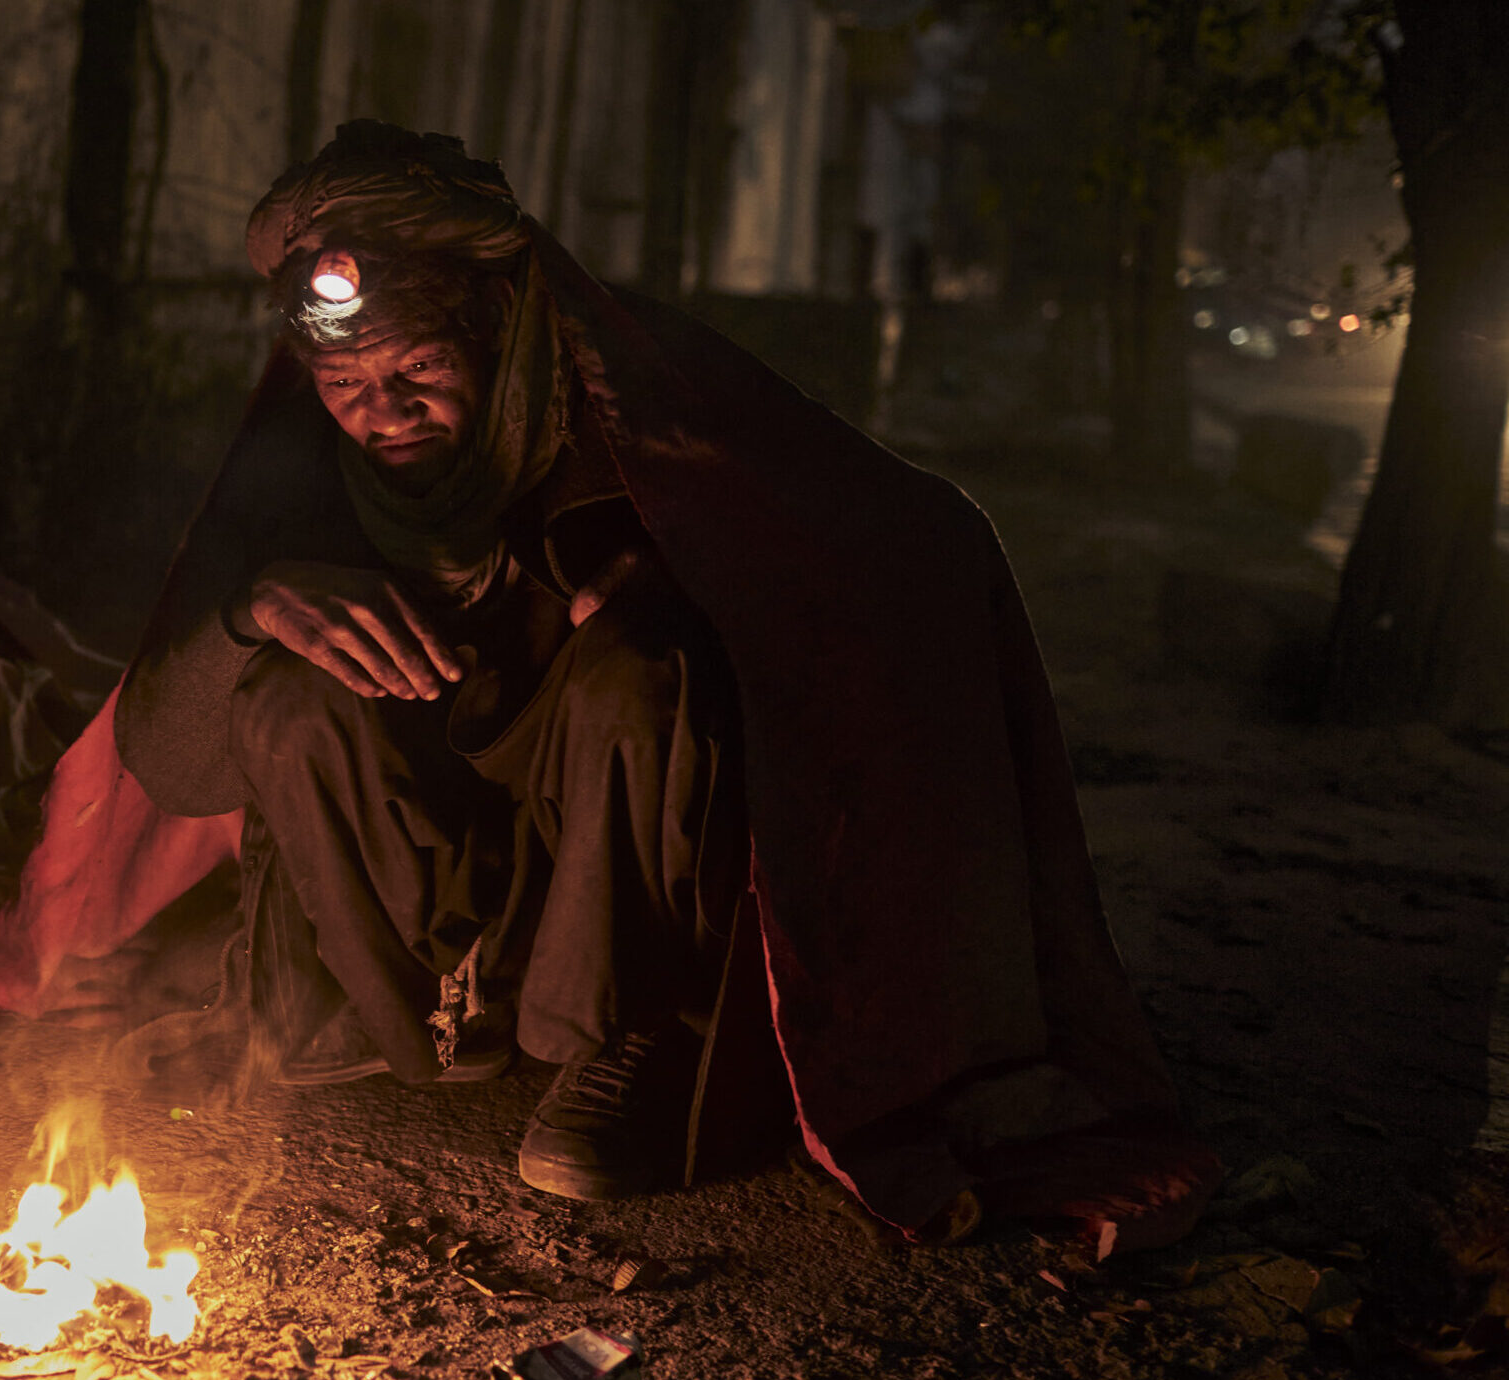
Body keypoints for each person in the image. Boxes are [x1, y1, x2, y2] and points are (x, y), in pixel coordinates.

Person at [105, 121, 1216, 1248]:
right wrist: (249, 612)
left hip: (597, 855)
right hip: (429, 869)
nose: (380, 411)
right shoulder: (306, 479)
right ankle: (401, 1009)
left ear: (497, 338)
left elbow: (908, 540)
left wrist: (683, 587)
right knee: (289, 699)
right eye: (343, 380)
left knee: (646, 671)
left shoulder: (620, 423)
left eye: (421, 371)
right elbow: (175, 767)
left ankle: (627, 1039)